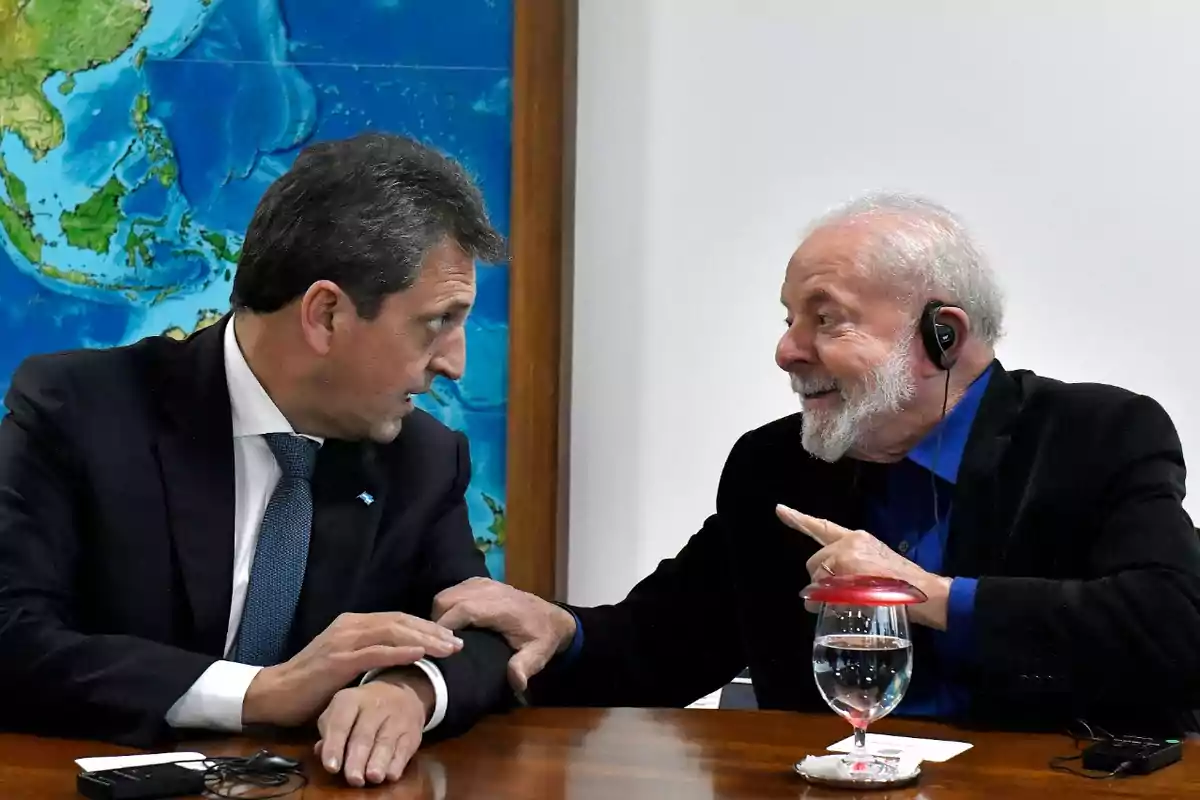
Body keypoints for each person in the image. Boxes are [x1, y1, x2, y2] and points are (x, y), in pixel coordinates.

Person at [433, 192, 1200, 736]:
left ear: (944, 335)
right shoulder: (775, 465)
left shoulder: (1098, 434)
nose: (786, 351)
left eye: (825, 318)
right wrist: (561, 628)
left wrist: (930, 596)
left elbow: (1172, 632)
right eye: (788, 318)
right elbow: (662, 646)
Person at [0, 133, 516, 786]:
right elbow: (11, 637)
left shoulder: (422, 461)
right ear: (325, 314)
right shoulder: (81, 411)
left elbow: (482, 632)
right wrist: (259, 692)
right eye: (437, 321)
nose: (454, 363)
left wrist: (406, 691)